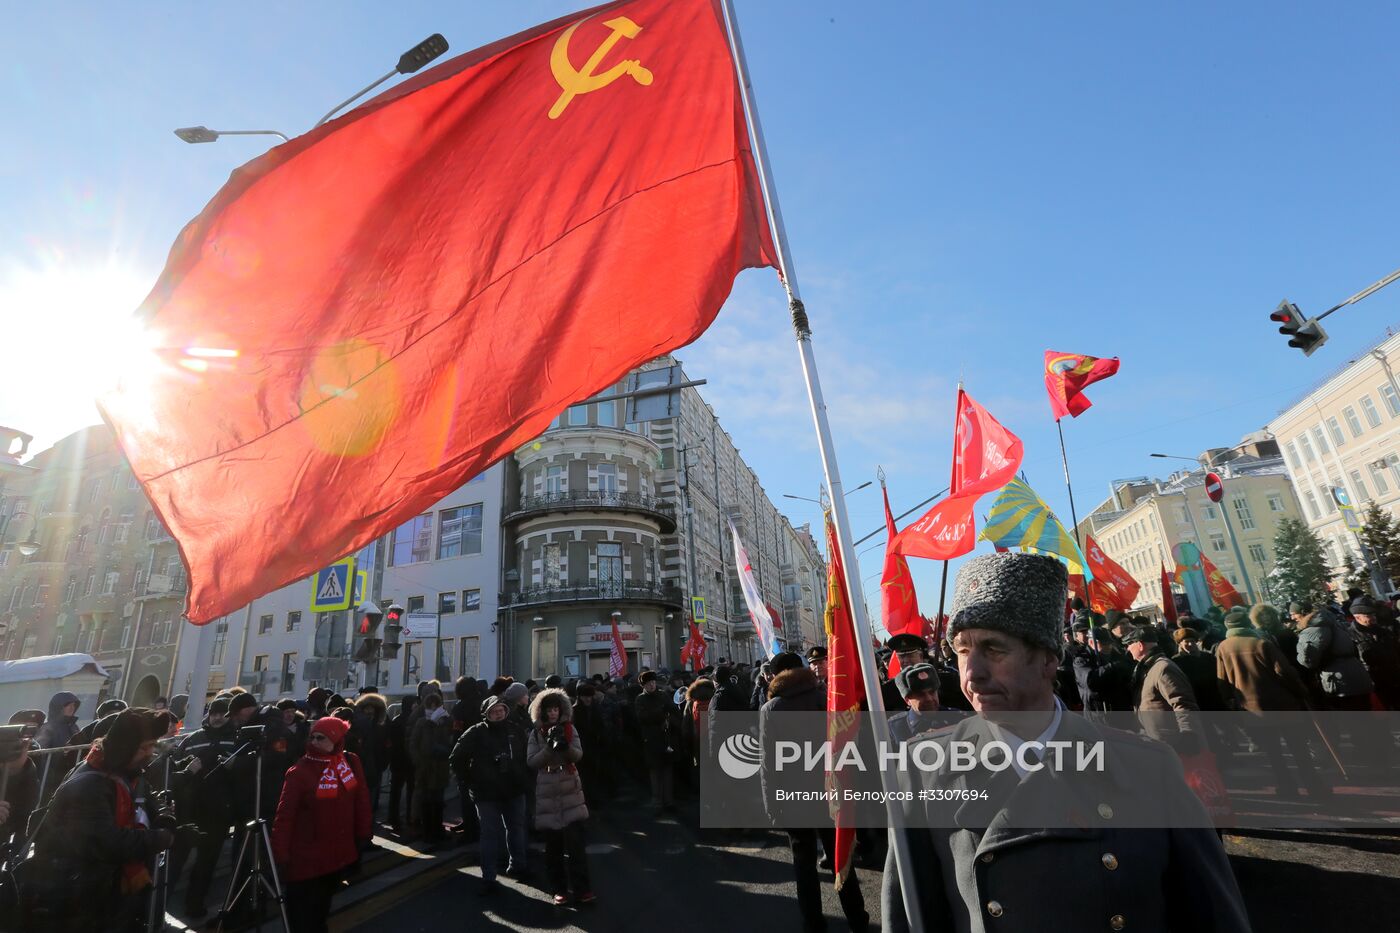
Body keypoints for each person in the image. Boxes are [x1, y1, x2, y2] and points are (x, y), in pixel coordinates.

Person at [882, 553, 1250, 933]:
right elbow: (911, 917)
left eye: (993, 650)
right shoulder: (921, 768)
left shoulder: (1147, 767)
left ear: (1047, 659)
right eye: (962, 651)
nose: (971, 673)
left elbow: (1213, 915)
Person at [31, 708, 176, 932]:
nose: (150, 753)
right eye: (145, 747)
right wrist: (162, 837)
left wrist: (165, 818)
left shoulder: (123, 771)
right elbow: (109, 842)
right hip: (79, 896)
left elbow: (145, 799)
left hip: (105, 892)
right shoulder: (91, 784)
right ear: (125, 747)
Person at [760, 651, 870, 933]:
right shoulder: (826, 697)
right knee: (840, 857)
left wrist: (772, 806)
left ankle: (813, 923)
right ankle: (858, 918)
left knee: (804, 865)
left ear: (775, 675)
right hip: (831, 790)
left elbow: (768, 763)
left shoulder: (771, 709)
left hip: (794, 797)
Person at [271, 716, 371, 933]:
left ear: (336, 741)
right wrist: (280, 855)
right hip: (305, 858)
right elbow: (284, 816)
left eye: (321, 738)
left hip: (335, 855)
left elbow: (361, 799)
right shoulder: (299, 772)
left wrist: (364, 833)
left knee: (321, 910)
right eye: (313, 737)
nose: (314, 742)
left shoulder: (349, 762)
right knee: (301, 916)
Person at [452, 695, 530, 894]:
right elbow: (456, 758)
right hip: (486, 793)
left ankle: (518, 865)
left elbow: (528, 754)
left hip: (514, 788)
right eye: (494, 711)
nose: (499, 714)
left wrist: (523, 776)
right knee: (490, 834)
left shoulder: (514, 729)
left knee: (516, 828)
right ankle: (489, 876)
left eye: (501, 710)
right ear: (486, 713)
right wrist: (469, 780)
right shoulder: (476, 732)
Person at [171, 696, 239, 919]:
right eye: (214, 713)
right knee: (176, 859)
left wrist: (234, 768)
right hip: (189, 808)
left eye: (222, 714)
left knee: (206, 862)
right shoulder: (193, 738)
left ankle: (194, 905)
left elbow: (243, 774)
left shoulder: (236, 739)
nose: (218, 717)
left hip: (218, 809)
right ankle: (160, 905)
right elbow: (175, 764)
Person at [526, 688, 596, 906]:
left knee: (576, 846)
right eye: (549, 710)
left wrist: (564, 748)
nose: (553, 713)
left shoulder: (569, 728)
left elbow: (579, 754)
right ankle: (559, 890)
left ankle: (583, 889)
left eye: (556, 709)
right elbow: (532, 761)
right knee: (553, 848)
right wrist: (549, 747)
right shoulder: (536, 733)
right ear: (542, 712)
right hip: (548, 790)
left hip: (569, 789)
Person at [1122, 625, 1201, 751]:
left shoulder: (1163, 668)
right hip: (1156, 739)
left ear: (1140, 645)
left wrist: (1188, 735)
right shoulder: (1146, 668)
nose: (1128, 649)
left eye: (1130, 644)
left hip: (1172, 742)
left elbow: (1183, 703)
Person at [410, 692, 453, 849]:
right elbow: (415, 744)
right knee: (427, 801)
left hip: (440, 767)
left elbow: (450, 740)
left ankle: (437, 830)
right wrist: (419, 762)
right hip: (425, 768)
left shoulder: (445, 721)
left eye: (436, 705)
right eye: (430, 706)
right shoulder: (422, 722)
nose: (433, 709)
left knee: (439, 801)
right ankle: (428, 832)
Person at [635, 670, 680, 812]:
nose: (652, 685)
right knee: (655, 771)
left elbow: (674, 711)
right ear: (644, 685)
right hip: (651, 739)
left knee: (667, 770)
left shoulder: (663, 695)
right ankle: (657, 802)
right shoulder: (640, 699)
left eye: (653, 682)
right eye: (648, 683)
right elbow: (642, 717)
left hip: (666, 738)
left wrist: (668, 720)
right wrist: (661, 714)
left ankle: (669, 801)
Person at [1348, 595, 1400, 710]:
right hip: (1375, 682)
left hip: (1394, 676)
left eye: (1373, 614)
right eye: (1369, 615)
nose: (1373, 617)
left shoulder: (1383, 631)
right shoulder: (1350, 637)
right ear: (1357, 617)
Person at [387, 695, 418, 832]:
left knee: (396, 791)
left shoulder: (397, 720)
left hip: (398, 760)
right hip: (409, 760)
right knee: (410, 790)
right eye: (415, 704)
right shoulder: (414, 720)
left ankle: (393, 817)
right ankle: (410, 817)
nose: (416, 706)